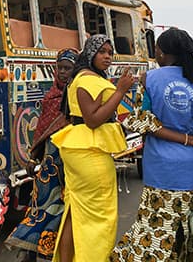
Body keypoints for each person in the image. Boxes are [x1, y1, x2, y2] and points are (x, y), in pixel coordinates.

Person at [110, 28, 193, 262]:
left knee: (155, 237)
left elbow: (143, 124)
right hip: (192, 173)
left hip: (160, 172)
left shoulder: (148, 80)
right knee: (186, 237)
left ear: (161, 53)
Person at [49, 35, 135, 262]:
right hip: (90, 151)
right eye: (102, 52)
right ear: (90, 53)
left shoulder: (81, 77)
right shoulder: (89, 80)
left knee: (74, 211)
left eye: (110, 52)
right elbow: (93, 119)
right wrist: (120, 91)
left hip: (77, 148)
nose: (107, 57)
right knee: (100, 215)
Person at [5, 48, 79, 262]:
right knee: (41, 205)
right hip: (49, 160)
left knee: (63, 208)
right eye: (61, 68)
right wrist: (32, 157)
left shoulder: (77, 95)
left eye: (69, 69)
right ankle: (30, 249)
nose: (64, 73)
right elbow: (41, 130)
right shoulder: (51, 96)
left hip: (69, 161)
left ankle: (44, 251)